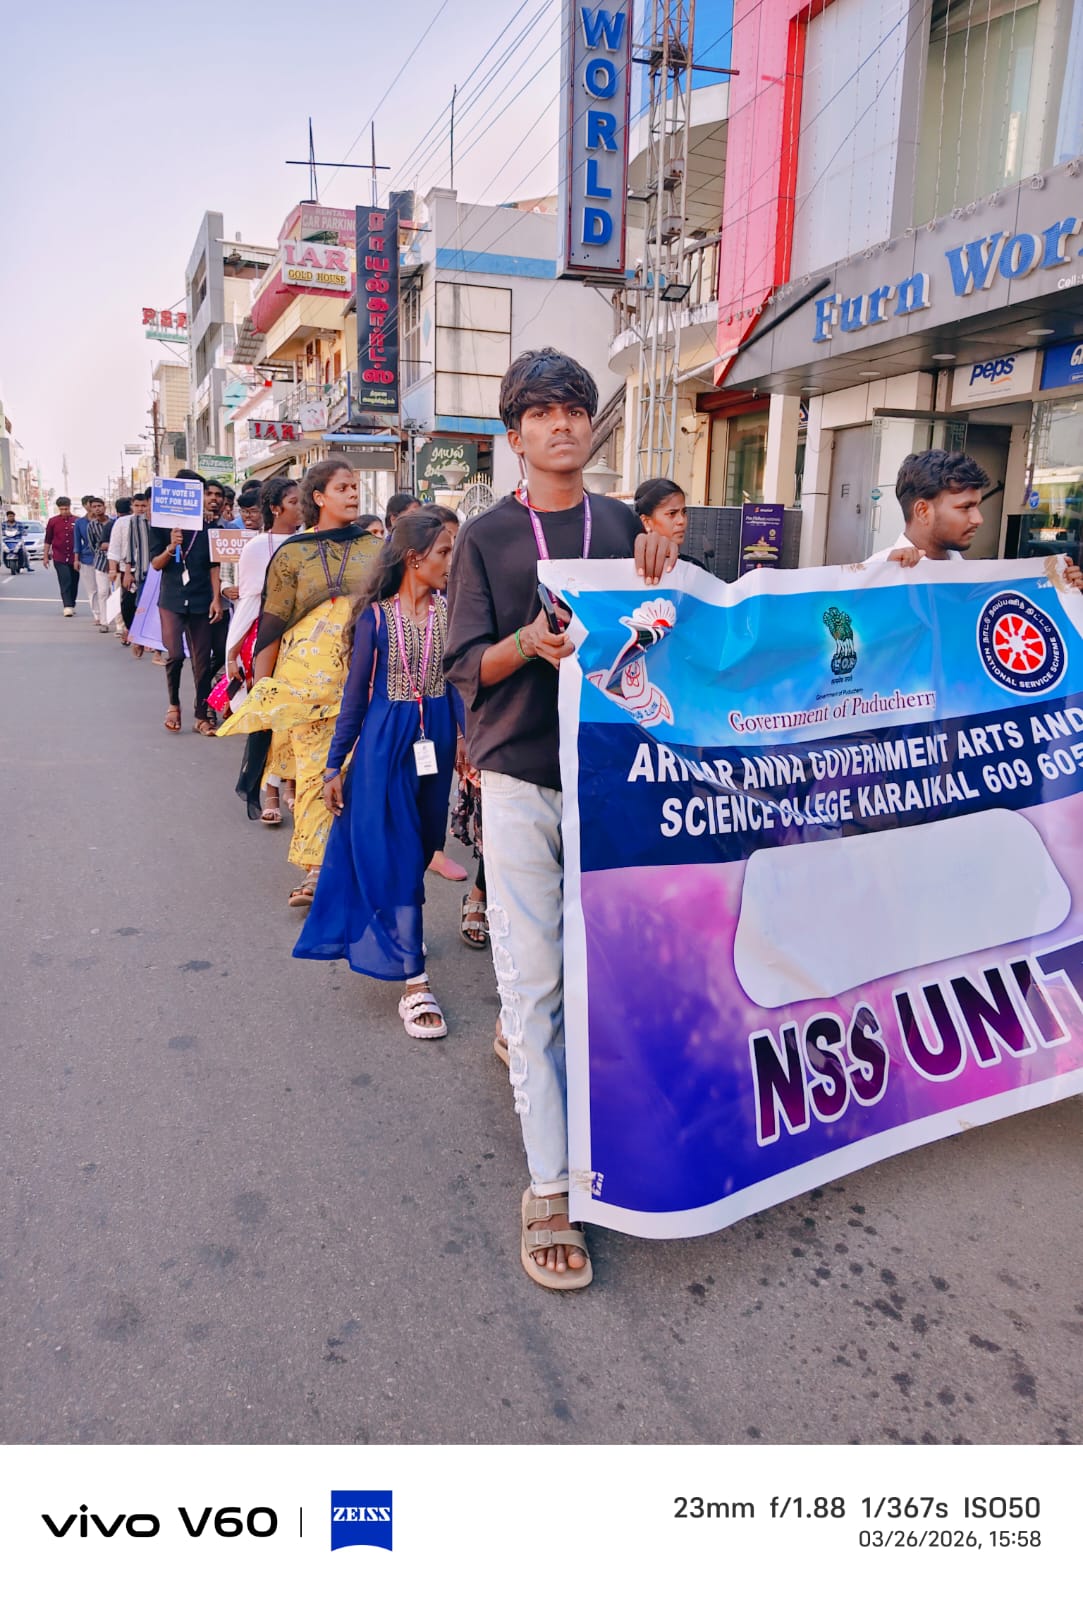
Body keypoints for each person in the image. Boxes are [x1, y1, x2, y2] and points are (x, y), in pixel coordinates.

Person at [445, 347, 678, 1290]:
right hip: (519, 779)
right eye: (541, 414)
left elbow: (682, 630)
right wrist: (527, 643)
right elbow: (464, 665)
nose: (561, 425)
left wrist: (666, 571)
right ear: (515, 436)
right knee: (537, 981)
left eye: (574, 410)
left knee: (610, 973)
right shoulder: (486, 537)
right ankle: (549, 1188)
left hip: (613, 778)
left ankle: (596, 1114)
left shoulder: (624, 524)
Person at [294, 509, 463, 1040]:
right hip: (385, 745)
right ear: (414, 559)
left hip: (435, 740)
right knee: (396, 849)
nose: (451, 562)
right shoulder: (375, 619)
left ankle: (402, 929)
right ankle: (415, 982)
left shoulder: (451, 611)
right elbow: (354, 697)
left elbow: (460, 683)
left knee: (423, 844)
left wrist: (467, 742)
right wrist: (333, 765)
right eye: (444, 552)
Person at [218, 459, 383, 906]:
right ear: (318, 497)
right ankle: (315, 869)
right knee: (315, 774)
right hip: (306, 687)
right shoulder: (291, 554)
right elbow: (272, 624)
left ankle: (357, 864)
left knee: (364, 776)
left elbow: (389, 615)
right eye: (343, 487)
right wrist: (264, 689)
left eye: (356, 486)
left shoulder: (376, 551)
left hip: (365, 681)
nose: (354, 493)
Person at [223, 476, 304, 824]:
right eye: (294, 502)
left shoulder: (311, 540)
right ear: (275, 508)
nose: (301, 508)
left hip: (305, 641)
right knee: (272, 715)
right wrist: (232, 652)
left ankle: (293, 786)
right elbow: (250, 601)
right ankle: (271, 791)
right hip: (268, 639)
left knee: (298, 716)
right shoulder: (257, 547)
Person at [147, 467, 223, 734]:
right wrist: (171, 547)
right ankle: (173, 704)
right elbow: (156, 564)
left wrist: (216, 599)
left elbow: (214, 566)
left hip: (202, 598)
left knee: (202, 660)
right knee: (176, 655)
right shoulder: (160, 526)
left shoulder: (208, 527)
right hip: (172, 599)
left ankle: (201, 715)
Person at [109, 489, 152, 650]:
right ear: (132, 506)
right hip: (127, 570)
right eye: (137, 505)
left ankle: (143, 638)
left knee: (145, 605)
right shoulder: (124, 522)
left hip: (149, 569)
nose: (140, 508)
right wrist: (113, 570)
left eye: (143, 505)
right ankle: (130, 630)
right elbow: (115, 547)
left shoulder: (154, 522)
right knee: (127, 605)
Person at [75, 496, 114, 630]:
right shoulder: (91, 526)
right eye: (94, 507)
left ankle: (120, 623)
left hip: (116, 563)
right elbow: (92, 545)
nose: (97, 509)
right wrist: (100, 552)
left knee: (116, 593)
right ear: (90, 509)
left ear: (104, 507)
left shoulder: (114, 523)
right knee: (102, 592)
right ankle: (103, 621)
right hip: (100, 563)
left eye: (99, 506)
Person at [43, 496, 79, 613]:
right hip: (59, 556)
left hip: (74, 557)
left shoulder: (77, 521)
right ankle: (67, 606)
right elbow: (48, 540)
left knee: (74, 581)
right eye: (61, 509)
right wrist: (45, 556)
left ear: (70, 507)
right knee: (65, 580)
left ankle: (72, 603)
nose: (64, 511)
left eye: (66, 509)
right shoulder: (53, 521)